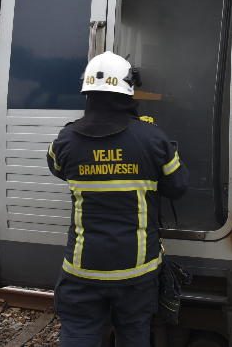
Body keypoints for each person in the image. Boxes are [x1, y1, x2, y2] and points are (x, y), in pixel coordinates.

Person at [47, 51, 188, 347]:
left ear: (87, 92)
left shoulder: (65, 140)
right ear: (128, 90)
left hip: (82, 269)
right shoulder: (153, 138)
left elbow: (59, 170)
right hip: (137, 271)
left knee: (79, 333)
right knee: (134, 334)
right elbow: (178, 187)